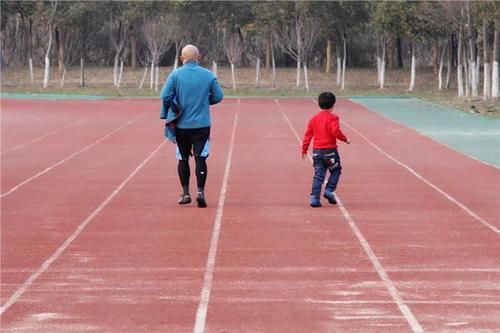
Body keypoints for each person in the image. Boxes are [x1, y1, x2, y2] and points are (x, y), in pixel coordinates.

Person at [161, 44, 224, 207]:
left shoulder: (176, 75)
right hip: (202, 124)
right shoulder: (208, 75)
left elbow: (165, 96)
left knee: (182, 158)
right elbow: (218, 96)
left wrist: (175, 105)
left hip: (182, 125)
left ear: (182, 58)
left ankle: (185, 193)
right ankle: (200, 192)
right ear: (199, 57)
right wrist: (204, 101)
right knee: (201, 157)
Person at [301, 92, 350, 207]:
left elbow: (308, 136)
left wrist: (304, 150)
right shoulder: (334, 118)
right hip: (330, 152)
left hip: (317, 152)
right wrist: (345, 139)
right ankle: (329, 190)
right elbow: (336, 132)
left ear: (318, 104)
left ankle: (314, 198)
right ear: (333, 105)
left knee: (318, 174)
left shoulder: (314, 119)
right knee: (336, 170)